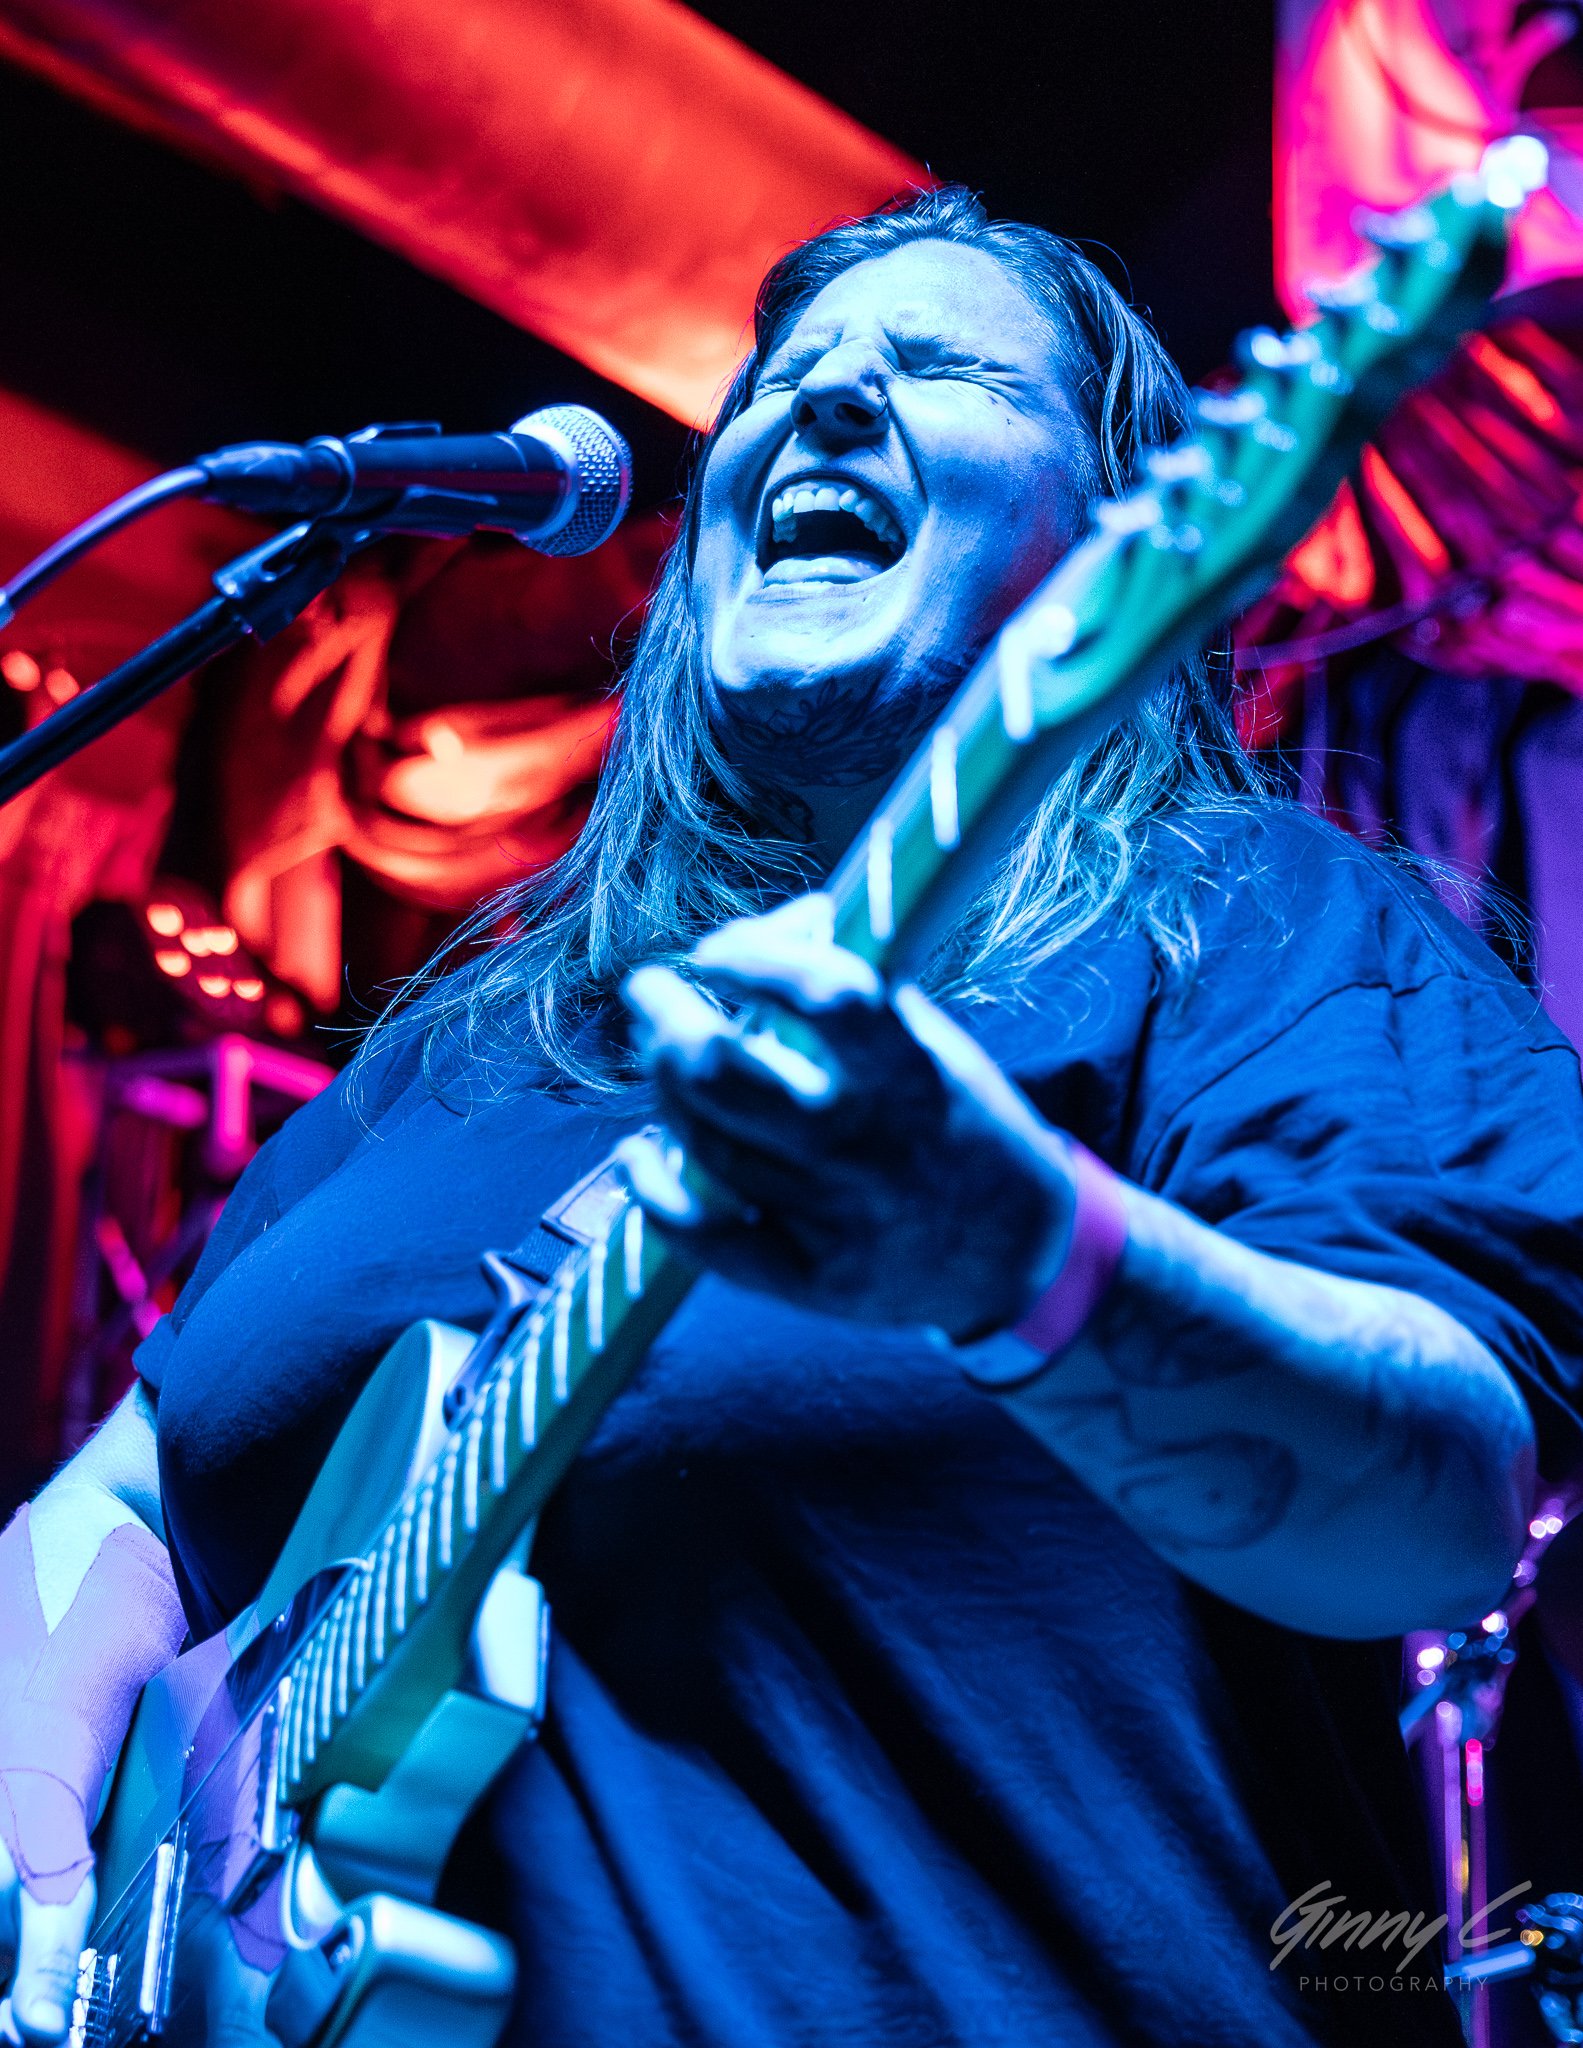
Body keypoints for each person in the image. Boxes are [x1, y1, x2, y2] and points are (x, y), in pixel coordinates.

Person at [3, 185, 1582, 2048]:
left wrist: (1013, 1251)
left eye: (944, 369)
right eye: (779, 379)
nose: (822, 400)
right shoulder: (467, 1051)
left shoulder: (1257, 929)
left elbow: (1444, 1512)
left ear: (1120, 527)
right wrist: (36, 1816)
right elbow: (131, 1478)